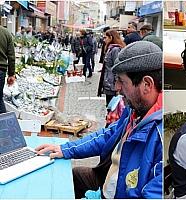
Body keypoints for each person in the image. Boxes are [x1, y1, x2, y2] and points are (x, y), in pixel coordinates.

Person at [35, 41, 163, 199]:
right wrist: (65, 149)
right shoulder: (135, 110)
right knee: (75, 175)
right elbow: (108, 134)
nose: (117, 87)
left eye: (122, 81)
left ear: (147, 85)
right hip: (108, 184)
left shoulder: (160, 135)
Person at [97, 30, 126, 106]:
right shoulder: (110, 49)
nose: (104, 40)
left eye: (105, 37)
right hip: (108, 82)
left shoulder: (115, 50)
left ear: (111, 37)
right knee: (109, 105)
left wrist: (118, 84)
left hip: (112, 85)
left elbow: (117, 68)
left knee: (112, 106)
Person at [0, 26, 15, 113]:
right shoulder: (6, 33)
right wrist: (11, 74)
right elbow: (11, 56)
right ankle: (3, 125)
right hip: (1, 70)